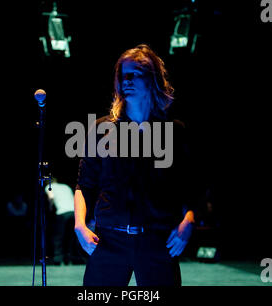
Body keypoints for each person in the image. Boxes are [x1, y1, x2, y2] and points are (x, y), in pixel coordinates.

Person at [74, 44, 197, 286]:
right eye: (122, 75)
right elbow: (84, 184)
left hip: (157, 242)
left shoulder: (175, 131)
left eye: (134, 74)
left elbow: (189, 186)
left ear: (152, 79)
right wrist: (79, 225)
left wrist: (188, 221)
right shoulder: (101, 129)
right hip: (109, 241)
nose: (126, 80)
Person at [45, 178, 84, 265]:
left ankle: (58, 259)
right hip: (73, 212)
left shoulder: (49, 186)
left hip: (62, 213)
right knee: (71, 237)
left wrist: (50, 209)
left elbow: (51, 198)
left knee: (59, 237)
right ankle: (70, 258)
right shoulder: (65, 186)